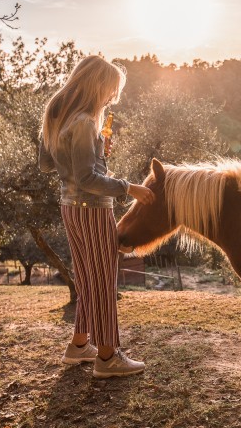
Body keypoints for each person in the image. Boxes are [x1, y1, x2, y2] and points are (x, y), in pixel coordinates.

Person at [38, 55, 154, 378]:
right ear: (98, 86)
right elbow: (88, 180)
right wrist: (128, 187)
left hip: (69, 208)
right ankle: (107, 357)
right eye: (111, 91)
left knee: (88, 278)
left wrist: (94, 152)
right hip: (93, 211)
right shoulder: (85, 122)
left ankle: (78, 345)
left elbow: (47, 165)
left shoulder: (58, 117)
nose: (113, 98)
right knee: (102, 280)